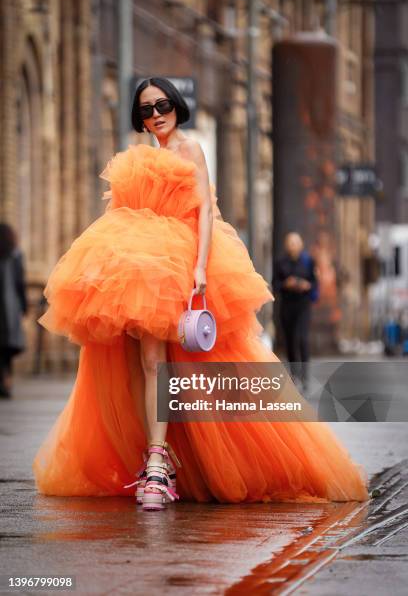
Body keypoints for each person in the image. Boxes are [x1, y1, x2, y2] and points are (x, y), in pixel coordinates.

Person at [32, 77, 369, 510]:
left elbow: (206, 210)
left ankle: (165, 462)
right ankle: (156, 459)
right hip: (139, 269)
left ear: (176, 104)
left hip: (180, 262)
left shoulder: (191, 150)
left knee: (187, 367)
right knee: (144, 362)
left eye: (162, 104)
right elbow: (119, 211)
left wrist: (199, 266)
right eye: (146, 110)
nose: (156, 115)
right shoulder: (136, 161)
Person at [273, 232, 318, 393]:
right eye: (290, 242)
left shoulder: (308, 262)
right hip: (287, 305)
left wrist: (306, 285)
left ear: (301, 245)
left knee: (302, 338)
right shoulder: (280, 262)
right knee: (290, 340)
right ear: (286, 245)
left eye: (295, 242)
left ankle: (305, 374)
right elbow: (275, 284)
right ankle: (294, 374)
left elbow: (314, 283)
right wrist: (287, 283)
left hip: (303, 304)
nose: (293, 245)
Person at [0, 223, 28, 399]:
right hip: (9, 307)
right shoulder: (15, 255)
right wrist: (23, 306)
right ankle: (7, 381)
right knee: (7, 348)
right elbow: (20, 283)